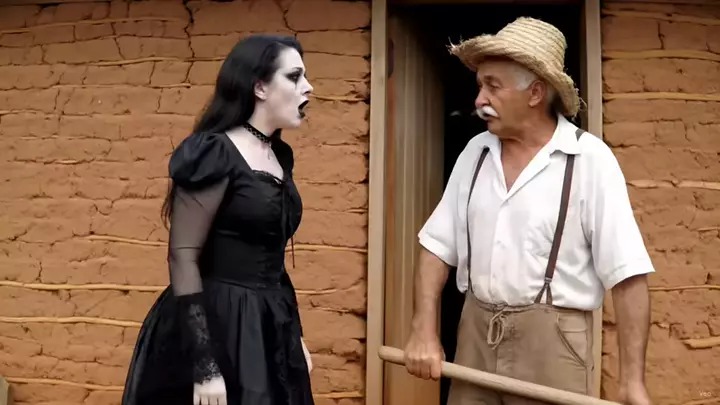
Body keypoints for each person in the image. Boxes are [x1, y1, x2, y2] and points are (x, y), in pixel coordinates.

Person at [403, 17, 654, 405]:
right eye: (480, 85)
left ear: (535, 93)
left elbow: (627, 276)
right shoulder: (475, 154)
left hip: (554, 347)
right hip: (476, 336)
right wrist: (424, 329)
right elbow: (436, 247)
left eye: (493, 86)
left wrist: (632, 381)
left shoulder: (589, 160)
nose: (479, 100)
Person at [121, 34, 315, 405]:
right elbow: (183, 255)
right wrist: (205, 366)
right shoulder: (213, 153)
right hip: (216, 325)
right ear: (259, 87)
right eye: (294, 77)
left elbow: (271, 259)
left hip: (267, 325)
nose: (308, 87)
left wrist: (295, 336)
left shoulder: (279, 157)